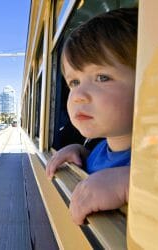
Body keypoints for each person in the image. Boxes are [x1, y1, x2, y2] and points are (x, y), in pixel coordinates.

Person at [46, 7, 138, 225]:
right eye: (74, 82)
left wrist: (132, 186)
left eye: (102, 77)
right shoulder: (100, 149)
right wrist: (82, 153)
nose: (78, 96)